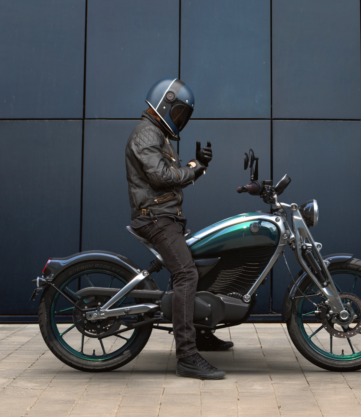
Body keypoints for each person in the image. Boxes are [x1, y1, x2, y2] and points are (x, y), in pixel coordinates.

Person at [125, 78, 232, 380]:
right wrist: (195, 169)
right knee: (186, 273)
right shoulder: (147, 133)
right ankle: (187, 356)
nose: (180, 118)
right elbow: (161, 176)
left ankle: (201, 334)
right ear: (164, 103)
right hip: (155, 218)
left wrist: (198, 166)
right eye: (179, 112)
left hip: (166, 217)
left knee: (202, 265)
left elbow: (169, 174)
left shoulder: (156, 133)